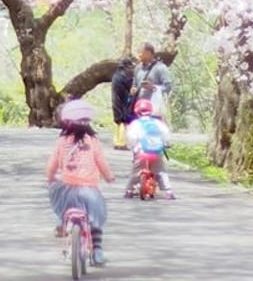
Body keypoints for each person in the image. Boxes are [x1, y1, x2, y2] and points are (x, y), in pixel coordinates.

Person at [46, 98, 116, 267]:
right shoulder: (92, 141)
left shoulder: (62, 141)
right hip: (89, 191)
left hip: (67, 189)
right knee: (95, 220)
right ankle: (98, 252)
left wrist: (50, 177)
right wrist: (109, 177)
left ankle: (64, 227)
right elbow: (101, 162)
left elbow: (52, 164)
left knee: (63, 208)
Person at [125, 98, 175, 199]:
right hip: (156, 152)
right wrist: (165, 143)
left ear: (137, 112)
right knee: (160, 171)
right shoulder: (158, 123)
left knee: (136, 171)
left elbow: (131, 137)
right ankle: (168, 191)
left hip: (142, 152)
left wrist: (132, 146)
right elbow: (166, 134)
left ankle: (129, 190)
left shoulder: (135, 124)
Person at [130, 42, 173, 118]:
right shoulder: (137, 68)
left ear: (149, 53)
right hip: (138, 110)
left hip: (154, 111)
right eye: (138, 52)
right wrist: (134, 89)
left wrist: (154, 88)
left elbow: (168, 87)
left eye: (141, 52)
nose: (139, 55)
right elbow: (134, 84)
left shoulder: (160, 68)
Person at [110, 56, 136, 150]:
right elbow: (131, 86)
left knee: (118, 121)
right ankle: (121, 143)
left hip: (116, 101)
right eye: (130, 67)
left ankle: (117, 141)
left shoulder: (116, 75)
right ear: (125, 67)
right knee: (122, 121)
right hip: (121, 102)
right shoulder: (123, 77)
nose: (131, 69)